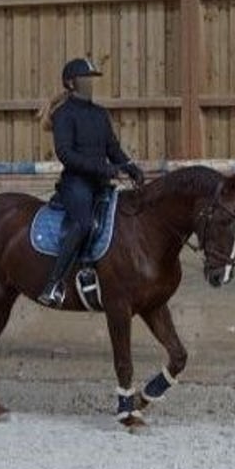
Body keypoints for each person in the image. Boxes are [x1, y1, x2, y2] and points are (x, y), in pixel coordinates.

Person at [36, 57, 145, 307]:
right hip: (76, 184)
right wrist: (102, 168)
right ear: (71, 83)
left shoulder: (99, 114)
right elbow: (66, 154)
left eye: (91, 80)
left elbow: (112, 148)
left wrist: (130, 167)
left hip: (100, 182)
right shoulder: (64, 115)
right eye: (85, 79)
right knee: (84, 223)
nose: (89, 84)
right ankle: (54, 284)